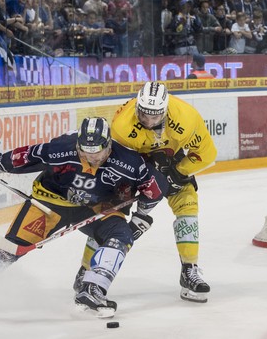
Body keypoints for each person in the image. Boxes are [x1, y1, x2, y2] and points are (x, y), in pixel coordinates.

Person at [0, 117, 164, 318]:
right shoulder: (61, 147)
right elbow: (25, 157)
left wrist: (141, 217)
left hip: (95, 208)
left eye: (97, 152)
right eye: (85, 151)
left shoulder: (130, 162)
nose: (91, 157)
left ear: (108, 145)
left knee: (121, 235)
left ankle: (93, 288)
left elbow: (152, 190)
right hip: (49, 204)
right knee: (10, 247)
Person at [75, 82, 217, 303]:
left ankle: (190, 270)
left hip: (172, 161)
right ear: (137, 106)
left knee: (188, 203)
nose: (148, 121)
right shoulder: (123, 125)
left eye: (154, 116)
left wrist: (178, 173)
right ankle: (86, 270)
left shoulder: (187, 118)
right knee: (111, 215)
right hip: (134, 167)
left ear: (165, 110)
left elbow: (207, 153)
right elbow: (117, 160)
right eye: (143, 114)